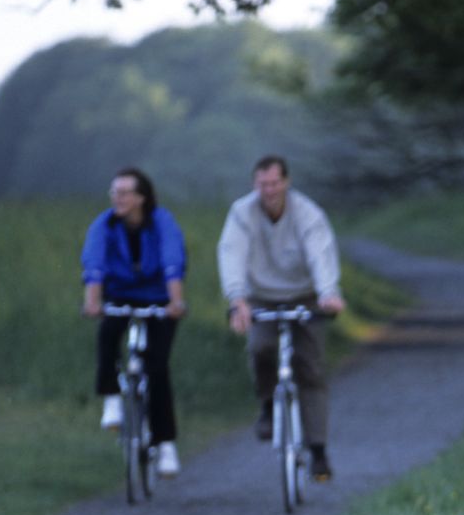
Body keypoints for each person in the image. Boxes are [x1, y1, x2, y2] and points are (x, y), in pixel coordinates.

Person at [217, 155, 346, 481]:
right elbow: (232, 253)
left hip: (305, 295)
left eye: (275, 183)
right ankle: (267, 406)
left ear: (286, 182)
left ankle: (318, 450)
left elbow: (320, 252)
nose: (269, 191)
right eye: (263, 184)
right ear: (254, 184)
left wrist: (328, 292)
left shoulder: (307, 213)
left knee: (310, 368)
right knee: (260, 347)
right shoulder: (242, 213)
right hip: (261, 295)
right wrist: (237, 299)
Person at [81, 167, 188, 477]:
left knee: (157, 367)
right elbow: (94, 263)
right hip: (119, 295)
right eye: (114, 192)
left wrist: (176, 302)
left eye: (125, 192)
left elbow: (172, 261)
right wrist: (92, 302)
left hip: (159, 299)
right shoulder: (104, 224)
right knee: (108, 333)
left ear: (142, 197)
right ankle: (112, 397)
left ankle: (165, 443)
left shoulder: (162, 222)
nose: (118, 198)